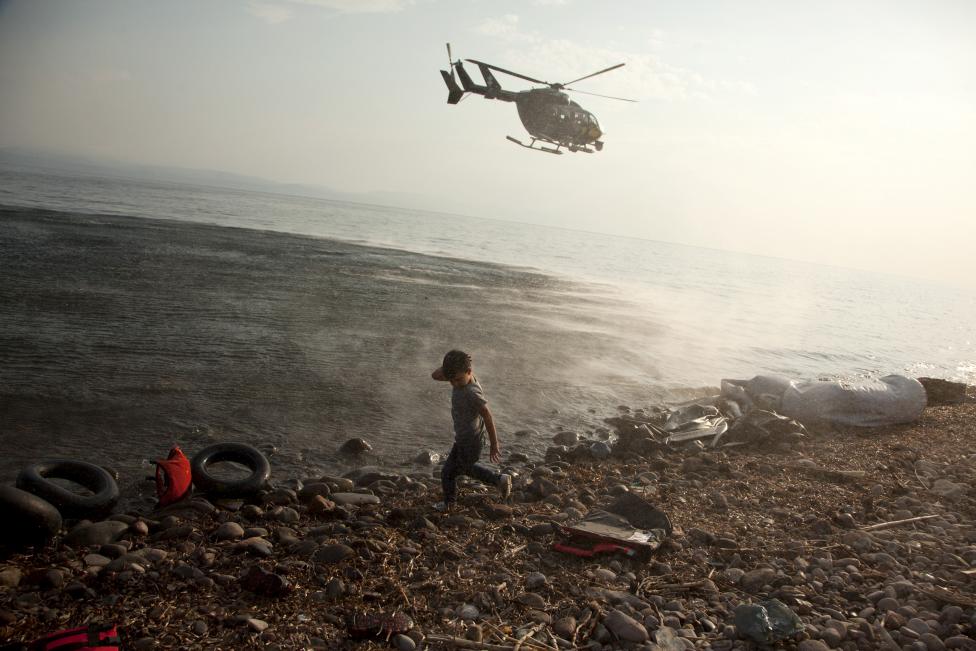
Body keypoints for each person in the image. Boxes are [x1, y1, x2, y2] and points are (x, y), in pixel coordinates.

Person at [431, 349, 511, 511]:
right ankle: (499, 480)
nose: (454, 384)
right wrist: (449, 368)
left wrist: (494, 444)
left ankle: (449, 504)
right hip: (464, 439)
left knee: (449, 472)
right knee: (462, 469)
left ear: (469, 372)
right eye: (451, 380)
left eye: (458, 380)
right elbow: (435, 375)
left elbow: (487, 415)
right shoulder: (461, 377)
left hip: (471, 441)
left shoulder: (471, 393)